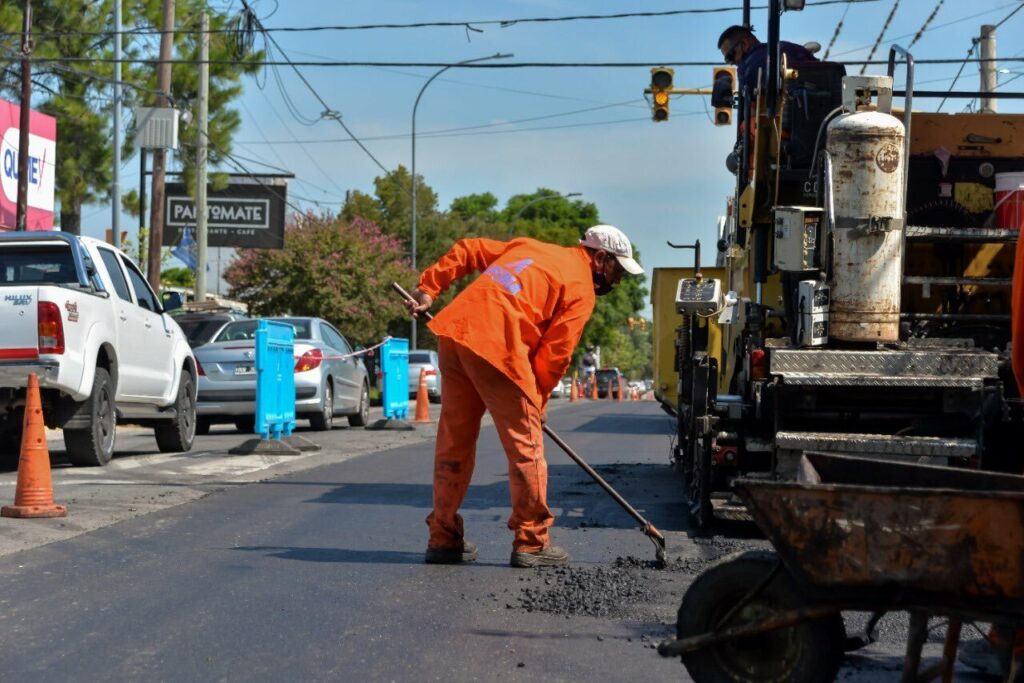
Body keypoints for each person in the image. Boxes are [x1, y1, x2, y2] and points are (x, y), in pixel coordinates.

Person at [405, 225, 644, 568]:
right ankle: (532, 540)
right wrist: (538, 401)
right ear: (600, 258)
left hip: (455, 336)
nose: (616, 280)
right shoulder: (580, 288)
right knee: (526, 447)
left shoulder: (529, 247)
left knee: (454, 441)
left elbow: (469, 249)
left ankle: (442, 537)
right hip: (496, 346)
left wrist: (429, 288)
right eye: (616, 271)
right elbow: (556, 355)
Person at [717, 24, 818, 92]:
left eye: (730, 56)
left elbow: (752, 113)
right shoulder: (791, 47)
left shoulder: (745, 69)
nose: (731, 63)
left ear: (744, 44)